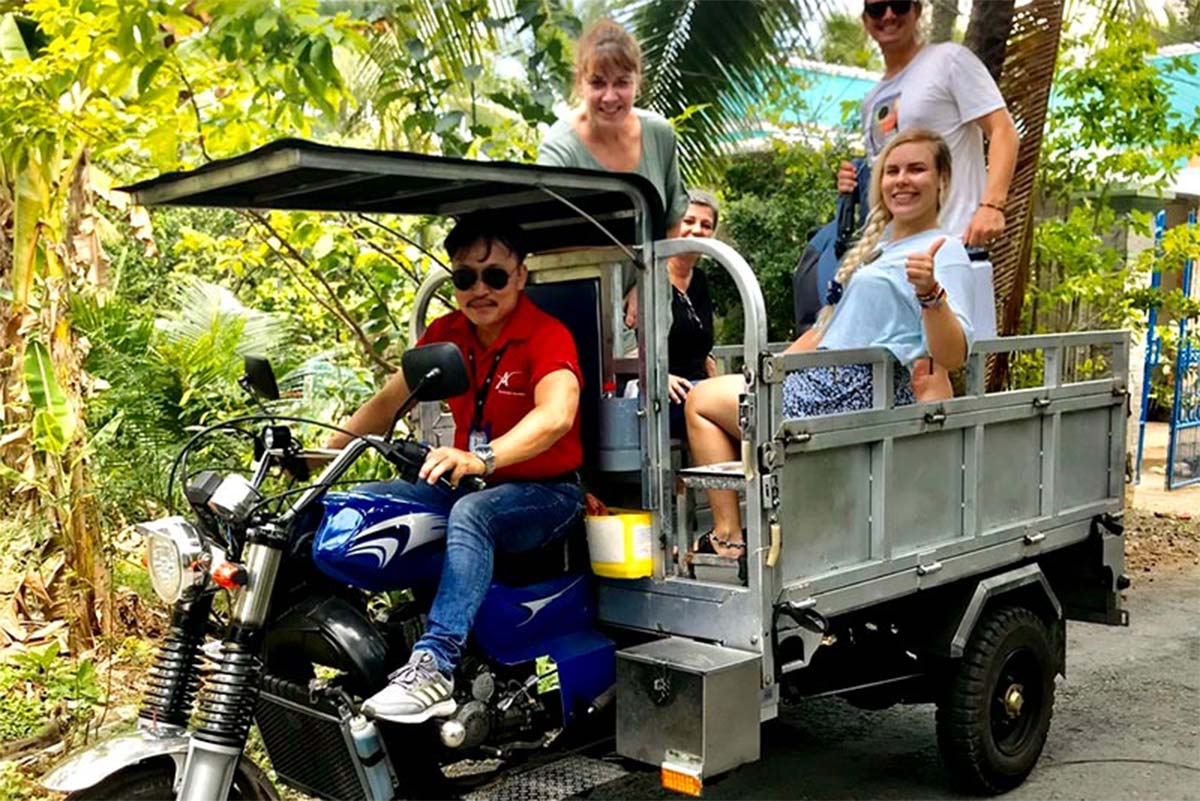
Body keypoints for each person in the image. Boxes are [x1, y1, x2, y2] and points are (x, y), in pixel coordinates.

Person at [328, 213, 585, 724]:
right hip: (473, 483)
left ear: (520, 276)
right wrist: (325, 456)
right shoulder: (446, 335)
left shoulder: (545, 335)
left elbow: (557, 415)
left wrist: (482, 457)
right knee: (366, 502)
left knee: (473, 513)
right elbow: (387, 403)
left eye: (494, 276)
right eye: (465, 277)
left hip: (546, 492)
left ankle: (435, 666)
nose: (479, 290)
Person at [686, 128, 974, 559]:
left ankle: (728, 538)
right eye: (892, 170)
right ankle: (745, 531)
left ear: (942, 180)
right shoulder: (879, 249)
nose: (902, 180)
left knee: (701, 400)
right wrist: (769, 373)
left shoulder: (944, 249)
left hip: (855, 391)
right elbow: (825, 330)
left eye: (916, 169)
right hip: (825, 379)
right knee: (717, 394)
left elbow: (954, 354)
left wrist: (931, 293)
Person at [838, 0, 1019, 248]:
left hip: (953, 241)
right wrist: (856, 182)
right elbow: (886, 174)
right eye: (877, 9)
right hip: (892, 251)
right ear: (866, 21)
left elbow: (1003, 131)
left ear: (917, 11)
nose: (888, 15)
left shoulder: (949, 60)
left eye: (898, 5)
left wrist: (992, 206)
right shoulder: (871, 101)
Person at [537, 18, 689, 233]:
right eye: (597, 83)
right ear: (580, 83)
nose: (609, 97)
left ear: (637, 83)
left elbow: (673, 221)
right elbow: (544, 232)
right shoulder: (561, 148)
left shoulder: (659, 134)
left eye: (621, 83)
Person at [666, 190, 721, 437]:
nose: (697, 230)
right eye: (688, 221)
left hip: (698, 389)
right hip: (663, 394)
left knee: (749, 404)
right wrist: (657, 377)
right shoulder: (646, 277)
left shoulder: (699, 280)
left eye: (706, 225)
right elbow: (622, 344)